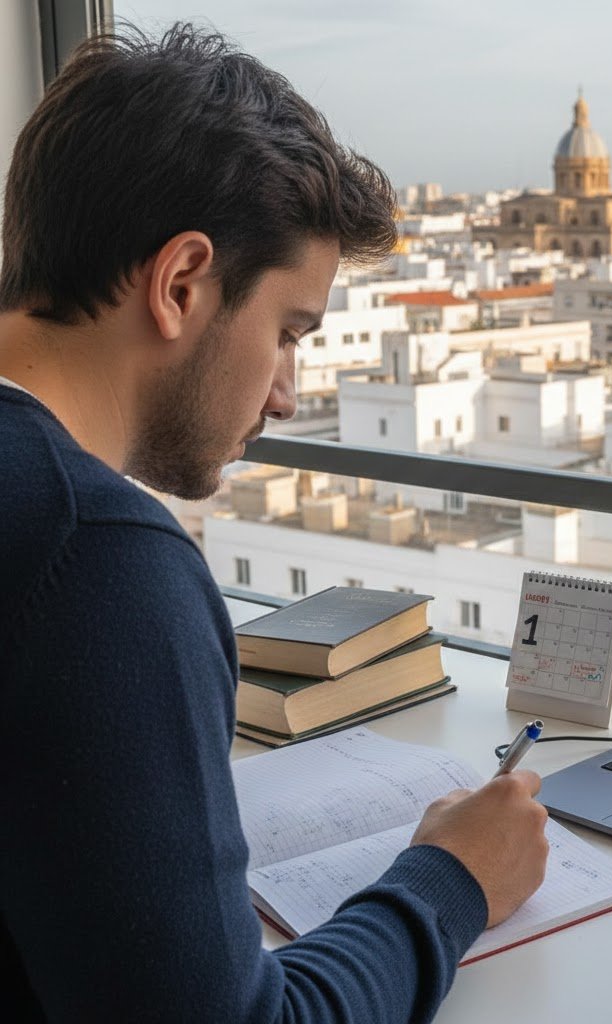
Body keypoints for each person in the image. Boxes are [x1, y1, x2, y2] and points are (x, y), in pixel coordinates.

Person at [0, 22, 549, 1023]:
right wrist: (453, 876)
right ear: (180, 284)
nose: (289, 394)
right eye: (289, 332)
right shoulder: (98, 562)